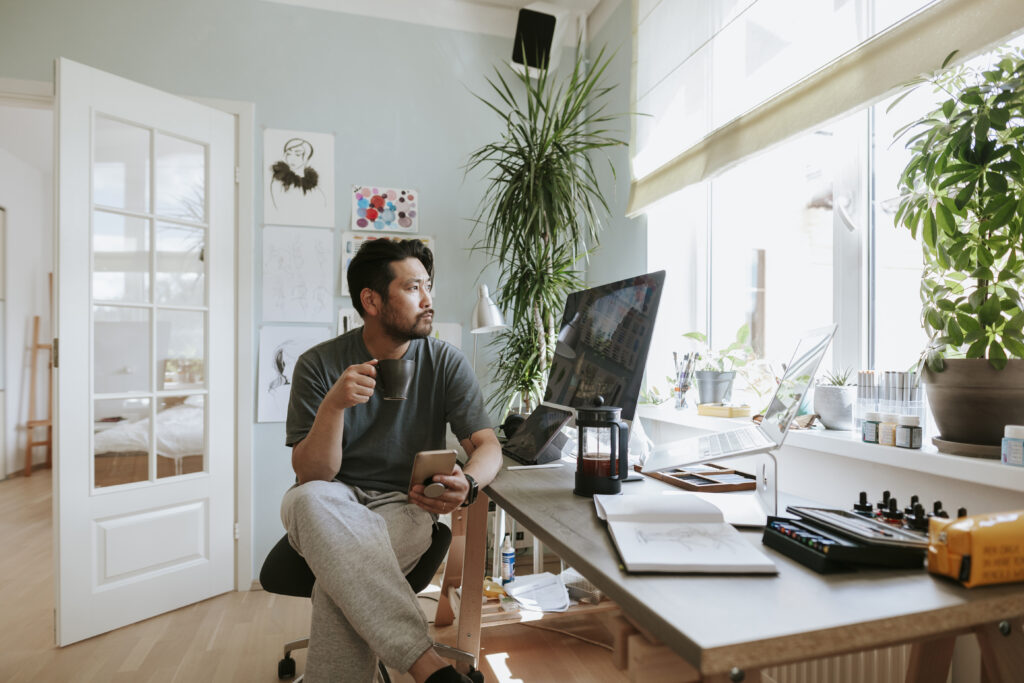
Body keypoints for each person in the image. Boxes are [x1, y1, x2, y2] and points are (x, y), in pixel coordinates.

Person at [281, 238, 501, 683]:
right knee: (307, 500)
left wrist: (469, 484)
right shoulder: (317, 365)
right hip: (329, 502)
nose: (428, 299)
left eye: (428, 287)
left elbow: (488, 446)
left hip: (406, 505)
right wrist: (334, 407)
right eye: (413, 287)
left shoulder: (445, 363)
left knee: (338, 584)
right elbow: (311, 475)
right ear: (372, 300)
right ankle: (428, 665)